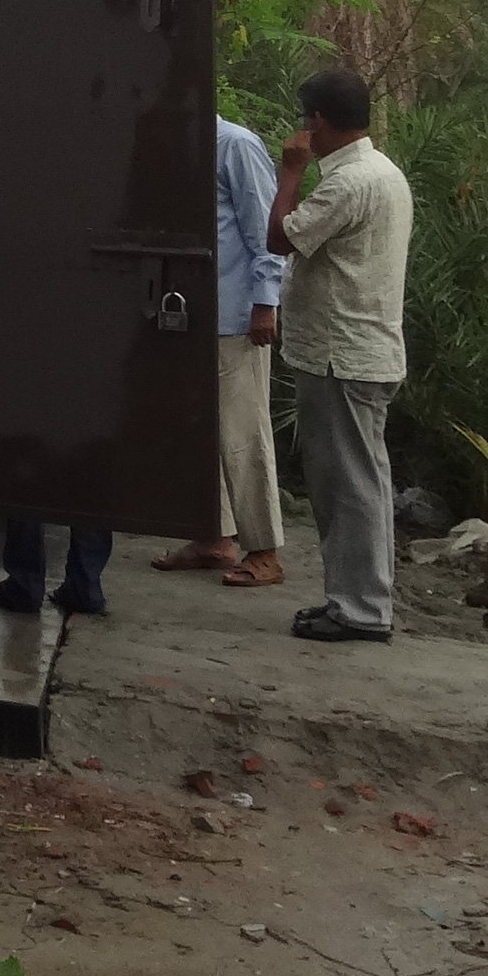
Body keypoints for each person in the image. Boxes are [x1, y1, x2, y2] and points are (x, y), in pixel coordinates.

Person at [265, 66, 414, 644]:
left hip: (339, 355)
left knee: (346, 485)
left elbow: (281, 237)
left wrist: (290, 172)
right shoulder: (384, 173)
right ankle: (357, 600)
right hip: (362, 350)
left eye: (306, 119)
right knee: (361, 481)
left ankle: (360, 609)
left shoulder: (346, 183)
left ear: (319, 121)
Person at [151, 115, 292, 587]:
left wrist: (266, 303)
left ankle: (265, 550)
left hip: (235, 314)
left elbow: (265, 230)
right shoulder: (168, 141)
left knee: (243, 432)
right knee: (197, 431)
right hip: (184, 311)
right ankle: (214, 537)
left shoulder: (235, 144)